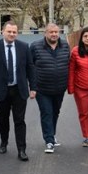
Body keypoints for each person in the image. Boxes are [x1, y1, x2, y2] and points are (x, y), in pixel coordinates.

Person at [0, 21, 37, 161]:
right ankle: (4, 142)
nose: (12, 34)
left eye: (14, 32)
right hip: (1, 90)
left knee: (20, 120)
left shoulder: (24, 47)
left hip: (19, 90)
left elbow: (30, 68)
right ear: (3, 32)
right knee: (3, 118)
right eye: (9, 31)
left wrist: (33, 87)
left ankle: (22, 149)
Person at [30, 23, 70, 154]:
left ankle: (51, 135)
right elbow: (30, 67)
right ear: (45, 33)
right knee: (47, 113)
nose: (54, 34)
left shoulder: (65, 46)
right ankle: (49, 140)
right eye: (51, 32)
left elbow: (68, 64)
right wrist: (32, 86)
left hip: (59, 88)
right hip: (42, 88)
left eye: (56, 32)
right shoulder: (35, 46)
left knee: (55, 112)